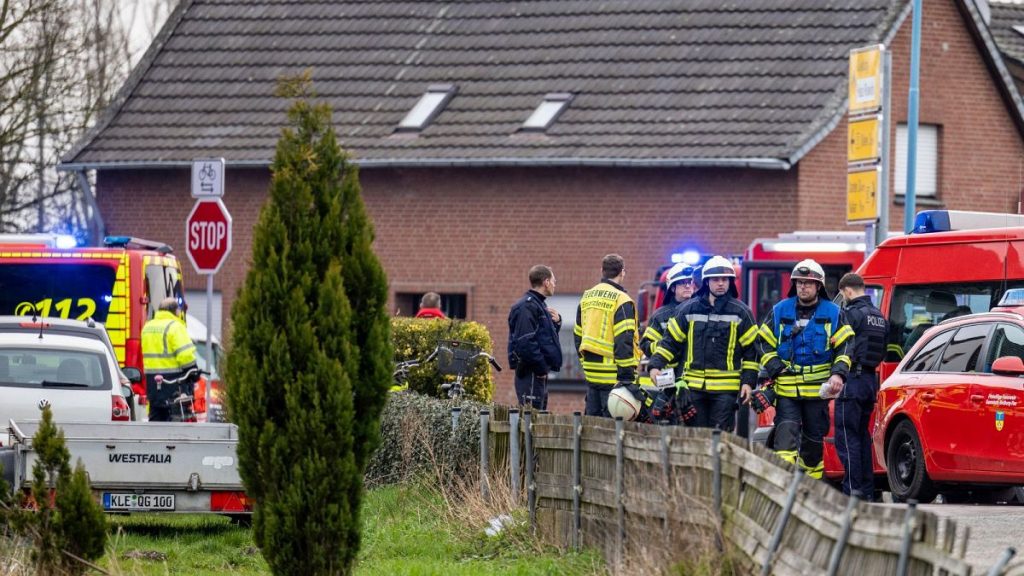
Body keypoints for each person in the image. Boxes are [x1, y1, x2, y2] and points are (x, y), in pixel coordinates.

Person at [756, 259, 854, 479]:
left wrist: (838, 373)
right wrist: (775, 367)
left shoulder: (833, 313)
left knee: (812, 446)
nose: (803, 287)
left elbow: (846, 346)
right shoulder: (780, 310)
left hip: (816, 394)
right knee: (784, 441)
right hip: (787, 393)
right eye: (799, 282)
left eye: (808, 283)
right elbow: (762, 341)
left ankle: (811, 489)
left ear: (818, 286)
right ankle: (783, 486)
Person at [647, 256, 759, 431]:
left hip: (726, 391)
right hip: (694, 389)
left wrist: (748, 382)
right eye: (716, 279)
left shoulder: (742, 312)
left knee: (720, 439)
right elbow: (670, 343)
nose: (721, 283)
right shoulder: (688, 310)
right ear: (706, 282)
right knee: (696, 438)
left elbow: (751, 353)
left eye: (725, 279)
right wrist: (655, 366)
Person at [835, 273, 887, 499]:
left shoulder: (850, 314)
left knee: (847, 438)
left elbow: (838, 345)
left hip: (851, 381)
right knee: (863, 437)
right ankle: (867, 492)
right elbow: (883, 350)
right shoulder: (879, 316)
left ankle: (852, 492)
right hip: (869, 382)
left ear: (846, 291)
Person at [574, 254, 640, 417]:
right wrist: (626, 378)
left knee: (592, 428)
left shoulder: (587, 296)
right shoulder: (622, 300)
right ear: (622, 272)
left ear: (602, 271)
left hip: (591, 375)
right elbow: (624, 341)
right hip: (613, 379)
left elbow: (577, 335)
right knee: (612, 432)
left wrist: (585, 363)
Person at [638, 263, 699, 423]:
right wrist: (668, 349)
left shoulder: (701, 311)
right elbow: (646, 344)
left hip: (695, 380)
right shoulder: (661, 315)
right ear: (672, 288)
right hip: (669, 380)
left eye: (690, 281)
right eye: (682, 282)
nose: (687, 285)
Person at [507, 265, 563, 409]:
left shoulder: (539, 305)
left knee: (538, 418)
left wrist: (557, 323)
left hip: (536, 373)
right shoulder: (527, 307)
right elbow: (526, 342)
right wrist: (541, 368)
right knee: (531, 419)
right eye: (553, 280)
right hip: (531, 373)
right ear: (546, 282)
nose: (555, 284)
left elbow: (543, 338)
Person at [142, 297, 199, 422]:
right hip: (174, 383)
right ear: (175, 311)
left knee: (156, 420)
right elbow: (185, 355)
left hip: (153, 384)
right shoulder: (175, 327)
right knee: (177, 421)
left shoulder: (147, 327)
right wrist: (193, 372)